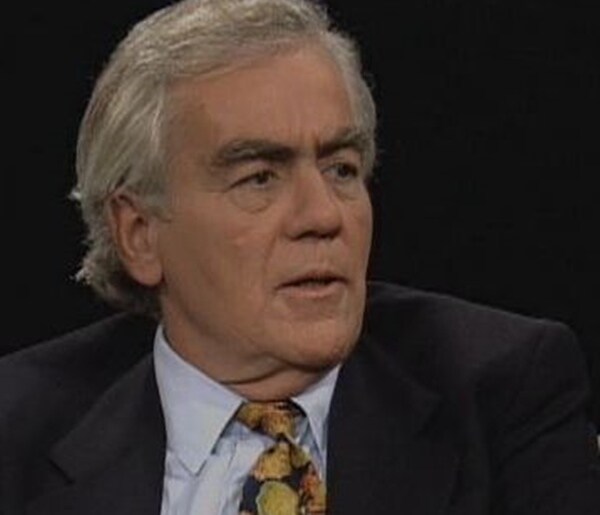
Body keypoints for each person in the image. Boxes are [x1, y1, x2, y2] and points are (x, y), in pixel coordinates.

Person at [1, 0, 599, 513]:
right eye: (259, 178)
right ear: (139, 234)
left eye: (342, 169)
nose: (324, 215)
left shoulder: (500, 397)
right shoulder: (18, 429)